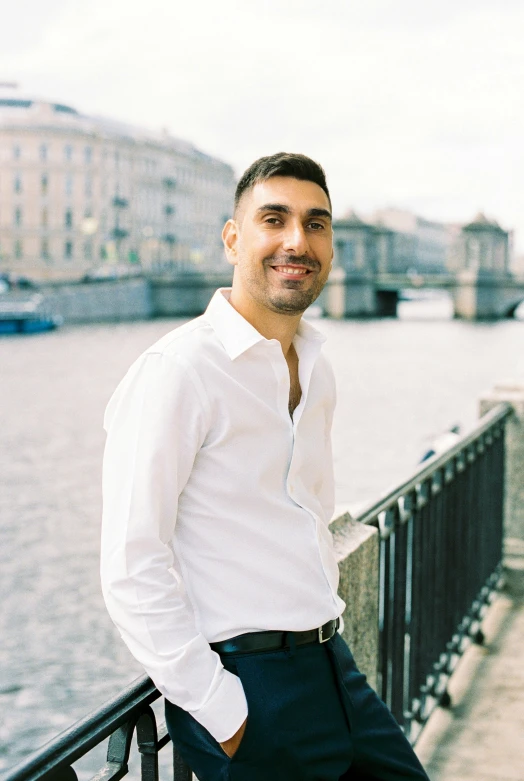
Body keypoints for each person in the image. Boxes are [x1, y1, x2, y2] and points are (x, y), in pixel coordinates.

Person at [100, 152, 430, 780]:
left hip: (334, 666)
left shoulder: (316, 363)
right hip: (248, 690)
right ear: (233, 238)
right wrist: (219, 708)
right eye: (273, 219)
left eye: (316, 223)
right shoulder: (177, 371)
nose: (296, 241)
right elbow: (131, 563)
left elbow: (309, 510)